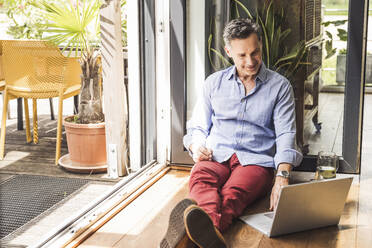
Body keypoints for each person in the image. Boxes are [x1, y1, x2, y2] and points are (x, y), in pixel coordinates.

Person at [160, 18, 303, 248]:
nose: (250, 61)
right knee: (200, 177)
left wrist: (282, 177)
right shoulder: (213, 84)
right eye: (242, 55)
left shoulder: (280, 87)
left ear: (261, 46)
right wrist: (197, 146)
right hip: (216, 154)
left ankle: (194, 236)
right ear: (228, 52)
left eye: (255, 53)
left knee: (233, 194)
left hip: (255, 161)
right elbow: (198, 126)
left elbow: (286, 134)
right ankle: (210, 236)